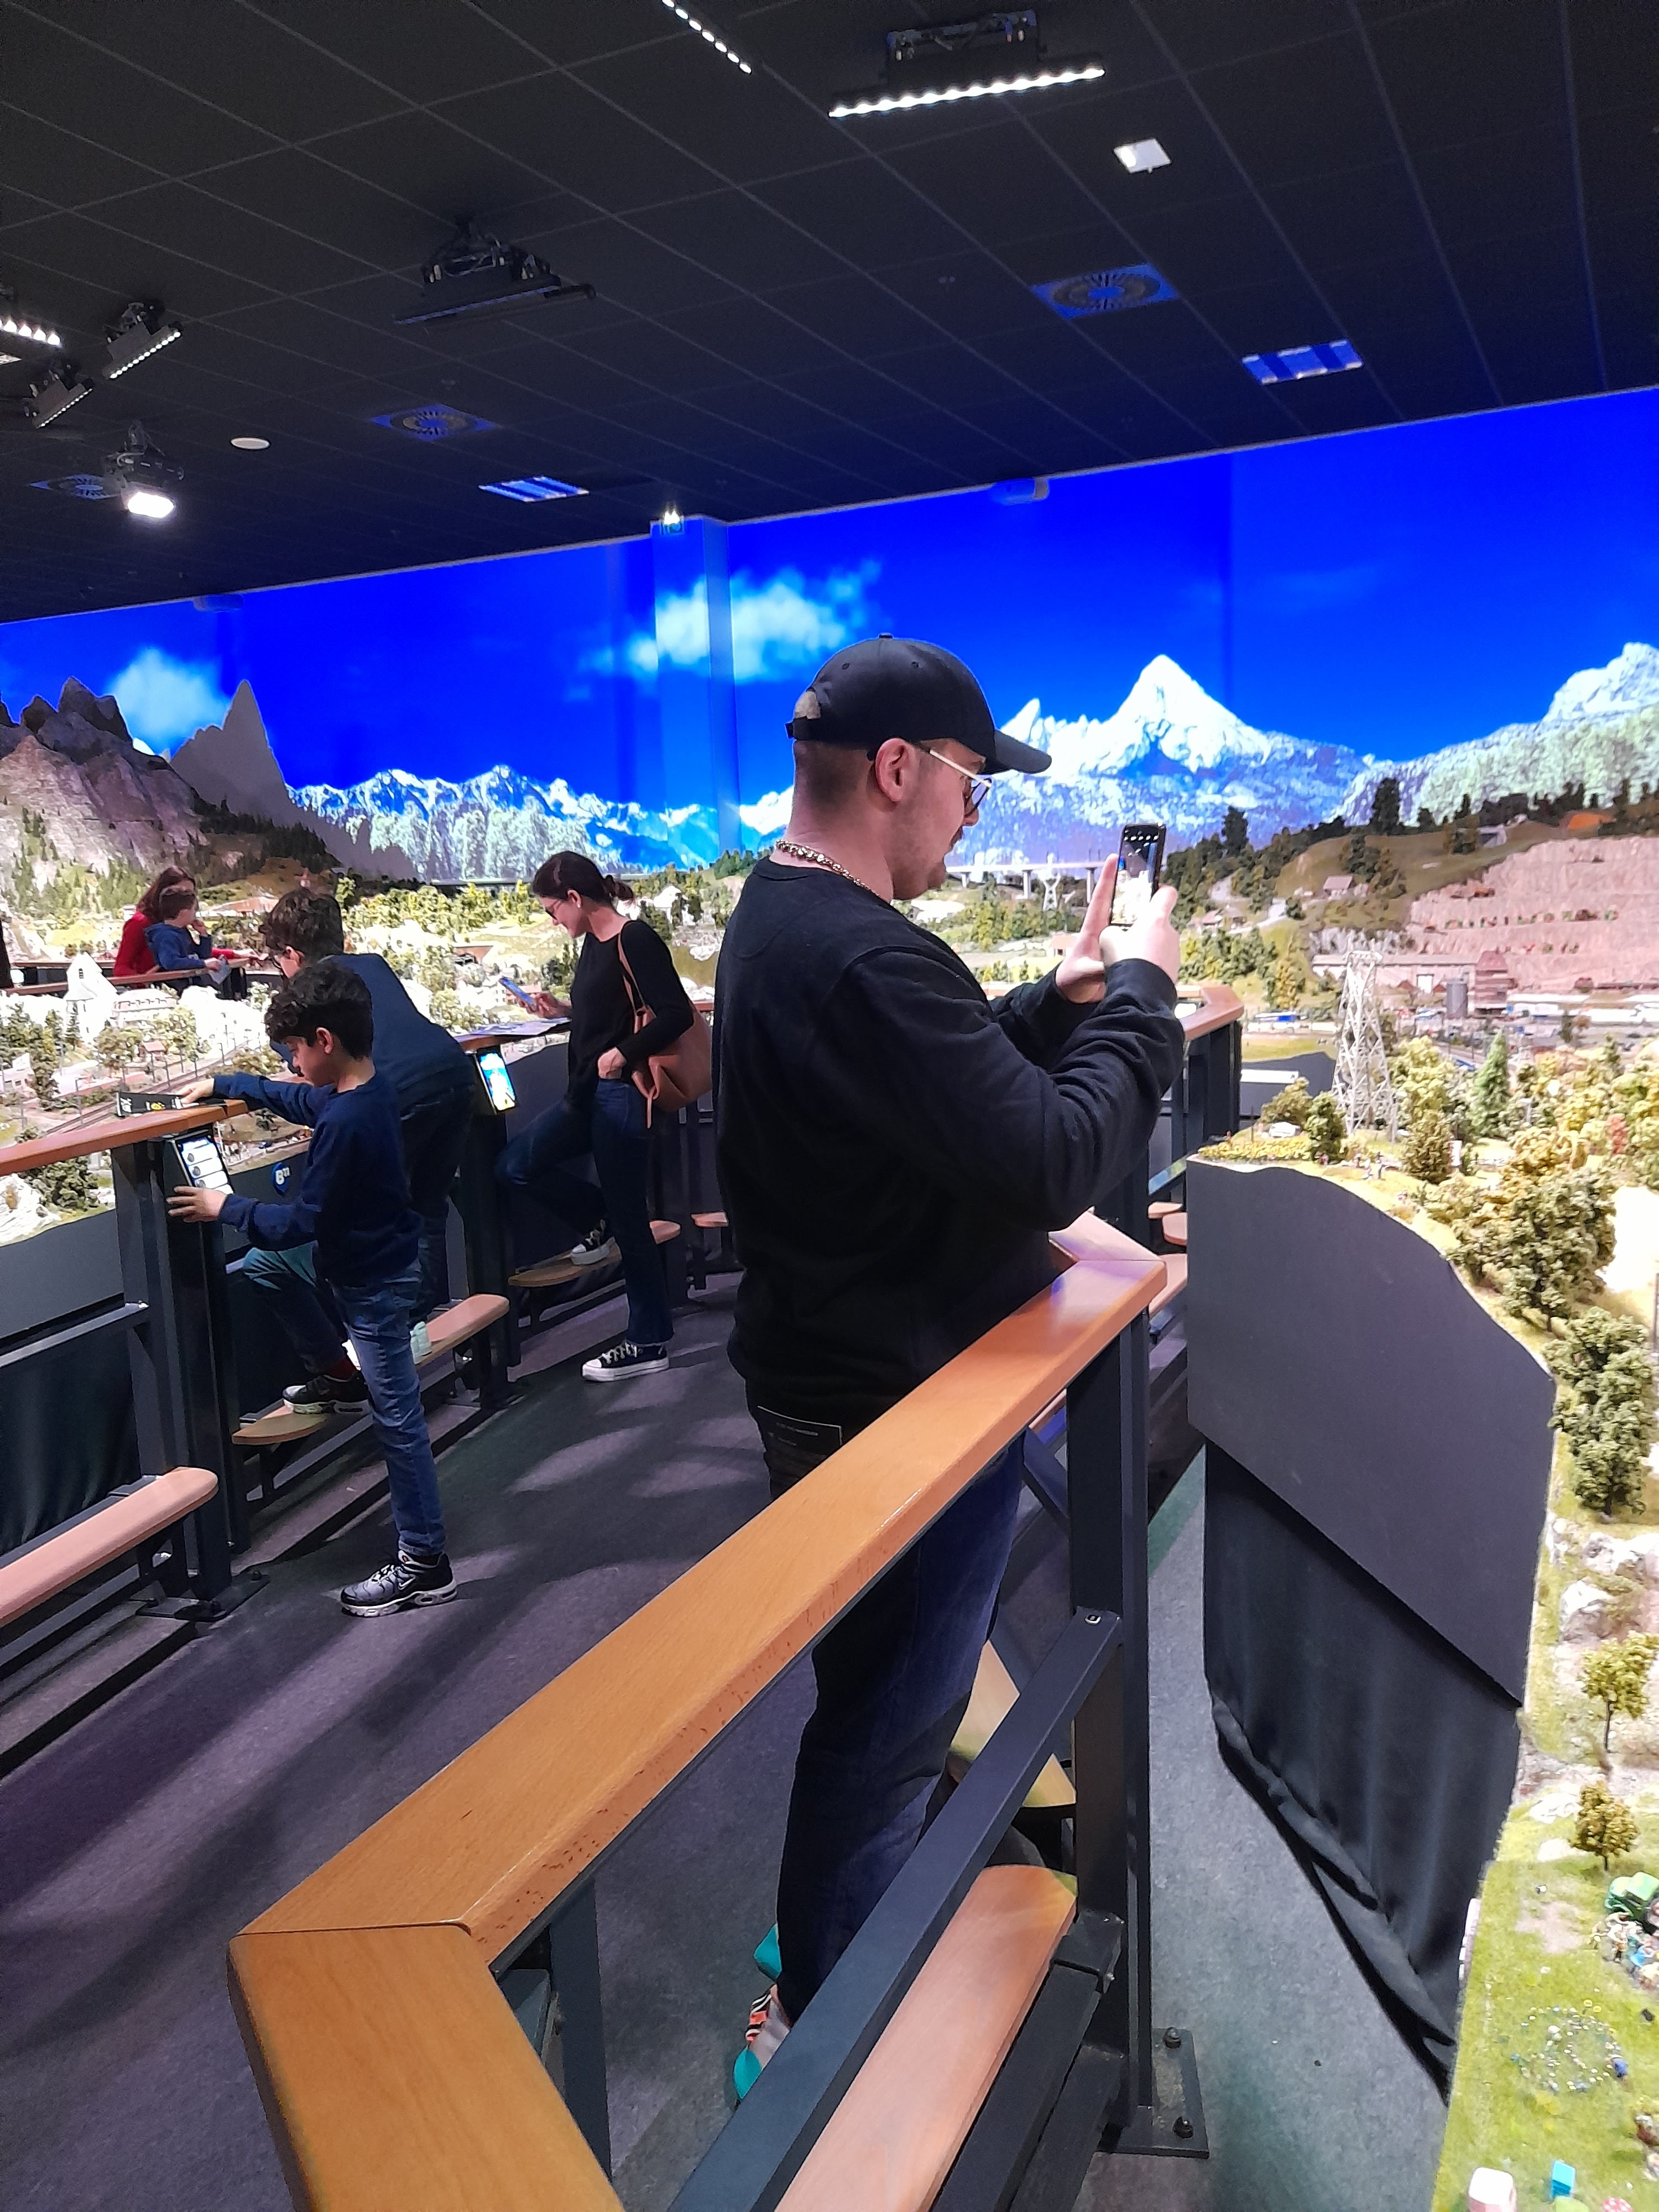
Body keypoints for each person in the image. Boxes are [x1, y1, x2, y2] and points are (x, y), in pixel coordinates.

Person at [714, 634, 1185, 2089]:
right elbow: (1051, 1156)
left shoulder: (790, 913)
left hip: (832, 1387)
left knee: (881, 1706)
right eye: (973, 786)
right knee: (886, 1732)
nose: (976, 816)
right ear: (897, 769)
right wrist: (1146, 999)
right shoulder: (863, 951)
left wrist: (1058, 1001)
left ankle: (831, 1956)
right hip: (898, 1416)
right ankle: (825, 2038)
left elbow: (927, 1079)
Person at [169, 961, 455, 1618]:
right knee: (271, 1272)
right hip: (380, 1263)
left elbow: (301, 1221)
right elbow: (301, 1100)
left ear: (324, 1040)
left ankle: (425, 1560)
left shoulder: (347, 1120)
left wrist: (224, 1207)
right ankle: (340, 1379)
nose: (292, 1064)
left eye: (295, 1050)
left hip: (372, 1281)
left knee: (400, 1423)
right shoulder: (365, 1091)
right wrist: (230, 1084)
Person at [242, 888, 478, 1412]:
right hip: (452, 1075)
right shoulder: (373, 965)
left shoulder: (309, 997)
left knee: (350, 1227)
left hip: (396, 1097)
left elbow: (305, 1068)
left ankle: (364, 1358)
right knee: (427, 1207)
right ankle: (412, 1327)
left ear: (291, 955)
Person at [503, 851, 693, 1382]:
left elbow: (676, 1013)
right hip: (586, 1095)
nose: (553, 921)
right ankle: (600, 1216)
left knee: (632, 1222)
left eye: (552, 910)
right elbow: (608, 1014)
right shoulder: (593, 944)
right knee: (516, 1166)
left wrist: (622, 1055)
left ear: (574, 898)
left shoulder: (635, 940)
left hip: (619, 1095)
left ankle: (649, 1340)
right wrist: (563, 1012)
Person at [144, 881, 246, 997]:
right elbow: (171, 962)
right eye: (194, 910)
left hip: (191, 986)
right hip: (174, 989)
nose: (195, 914)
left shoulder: (182, 931)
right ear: (184, 912)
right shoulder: (165, 936)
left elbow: (202, 955)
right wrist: (203, 963)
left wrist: (203, 935)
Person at [113, 864, 192, 978]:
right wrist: (145, 980)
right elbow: (121, 968)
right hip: (152, 987)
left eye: (190, 894)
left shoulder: (177, 922)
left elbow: (192, 953)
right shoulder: (139, 923)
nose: (187, 900)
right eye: (181, 893)